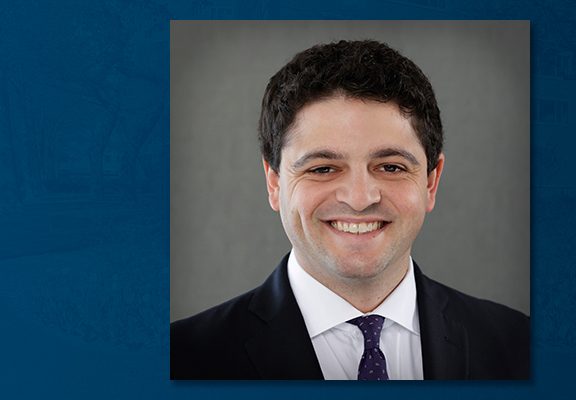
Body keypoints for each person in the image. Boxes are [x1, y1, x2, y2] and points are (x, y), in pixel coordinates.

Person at [170, 39, 529, 380]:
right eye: (323, 168)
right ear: (274, 183)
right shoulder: (181, 358)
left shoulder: (520, 346)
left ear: (431, 182)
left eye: (390, 167)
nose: (360, 198)